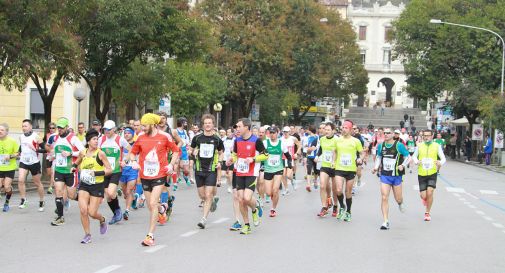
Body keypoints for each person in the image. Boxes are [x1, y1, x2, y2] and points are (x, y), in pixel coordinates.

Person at [129, 113, 179, 246]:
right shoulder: (140, 137)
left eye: (145, 126)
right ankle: (162, 210)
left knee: (152, 203)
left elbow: (175, 151)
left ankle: (150, 236)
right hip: (145, 175)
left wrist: (171, 164)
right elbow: (133, 152)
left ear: (152, 124)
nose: (143, 128)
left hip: (160, 174)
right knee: (151, 207)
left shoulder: (164, 136)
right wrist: (133, 161)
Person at [226, 118, 267, 235]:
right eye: (236, 127)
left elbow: (266, 155)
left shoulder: (256, 141)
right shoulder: (237, 140)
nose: (237, 129)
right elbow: (235, 155)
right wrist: (231, 160)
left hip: (251, 172)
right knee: (241, 199)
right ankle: (247, 225)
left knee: (247, 198)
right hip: (239, 172)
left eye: (239, 127)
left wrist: (254, 159)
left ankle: (255, 208)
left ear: (246, 127)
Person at [74, 129, 112, 244]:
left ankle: (102, 219)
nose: (96, 141)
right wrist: (73, 166)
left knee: (92, 212)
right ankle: (87, 235)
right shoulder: (83, 152)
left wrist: (96, 173)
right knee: (83, 210)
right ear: (88, 141)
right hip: (84, 184)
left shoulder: (100, 153)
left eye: (97, 139)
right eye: (94, 139)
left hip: (97, 185)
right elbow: (78, 161)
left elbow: (109, 170)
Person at [190, 114, 224, 229]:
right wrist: (192, 152)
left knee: (208, 194)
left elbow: (221, 152)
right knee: (202, 195)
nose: (207, 125)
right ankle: (212, 201)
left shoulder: (217, 139)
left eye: (209, 123)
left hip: (211, 170)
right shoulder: (197, 138)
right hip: (199, 169)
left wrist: (220, 162)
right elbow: (191, 149)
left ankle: (203, 219)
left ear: (213, 125)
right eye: (205, 123)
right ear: (203, 125)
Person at [372, 128, 410, 230]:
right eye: (385, 133)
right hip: (385, 175)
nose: (386, 134)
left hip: (397, 175)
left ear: (393, 134)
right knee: (384, 197)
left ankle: (400, 203)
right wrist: (376, 167)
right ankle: (385, 221)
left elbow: (408, 157)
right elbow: (379, 157)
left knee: (398, 198)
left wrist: (403, 165)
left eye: (388, 133)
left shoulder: (399, 145)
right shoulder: (381, 146)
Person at [51, 117, 86, 226]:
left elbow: (83, 152)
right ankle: (60, 217)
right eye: (58, 127)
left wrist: (70, 153)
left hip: (70, 170)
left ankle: (86, 200)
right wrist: (52, 156)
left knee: (71, 195)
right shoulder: (55, 138)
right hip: (59, 169)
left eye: (62, 127)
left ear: (66, 127)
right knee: (58, 191)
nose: (60, 129)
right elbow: (55, 151)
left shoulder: (73, 138)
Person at [98, 120, 131, 225]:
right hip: (104, 171)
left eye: (108, 129)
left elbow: (131, 150)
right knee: (108, 195)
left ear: (114, 129)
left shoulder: (119, 139)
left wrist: (125, 161)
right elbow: (97, 153)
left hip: (116, 171)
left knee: (111, 192)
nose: (106, 131)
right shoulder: (101, 139)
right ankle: (116, 213)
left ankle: (117, 212)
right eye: (105, 129)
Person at [412, 130, 446, 221]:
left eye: (428, 135)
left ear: (432, 136)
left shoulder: (437, 146)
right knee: (424, 196)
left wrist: (440, 163)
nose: (426, 137)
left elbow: (443, 158)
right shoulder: (419, 146)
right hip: (422, 173)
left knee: (430, 192)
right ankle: (425, 199)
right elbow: (414, 156)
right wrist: (416, 161)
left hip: (432, 172)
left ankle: (427, 213)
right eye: (425, 136)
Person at [334, 120, 364, 222]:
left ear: (350, 129)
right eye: (343, 127)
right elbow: (334, 151)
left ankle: (348, 212)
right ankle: (342, 206)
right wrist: (333, 161)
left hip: (351, 169)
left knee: (348, 192)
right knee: (338, 190)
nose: (344, 129)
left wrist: (360, 158)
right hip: (339, 168)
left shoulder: (356, 141)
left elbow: (362, 152)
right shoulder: (337, 140)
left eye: (346, 128)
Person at [262, 126, 292, 217]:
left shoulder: (281, 144)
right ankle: (273, 197)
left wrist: (290, 163)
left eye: (274, 133)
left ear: (277, 133)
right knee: (268, 192)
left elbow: (288, 156)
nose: (272, 134)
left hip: (278, 169)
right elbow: (260, 154)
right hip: (267, 169)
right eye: (270, 133)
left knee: (275, 190)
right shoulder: (265, 143)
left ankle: (273, 209)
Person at [17, 119, 46, 211]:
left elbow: (45, 149)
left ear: (30, 127)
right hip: (23, 161)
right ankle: (23, 200)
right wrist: (18, 152)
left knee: (37, 183)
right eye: (22, 126)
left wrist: (35, 149)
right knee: (20, 180)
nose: (23, 128)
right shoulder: (21, 136)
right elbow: (21, 147)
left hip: (34, 162)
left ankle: (41, 201)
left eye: (25, 126)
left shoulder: (36, 137)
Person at [314, 122, 338, 217]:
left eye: (328, 130)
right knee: (322, 185)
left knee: (335, 189)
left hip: (335, 167)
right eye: (325, 129)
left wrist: (334, 160)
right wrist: (317, 156)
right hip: (325, 166)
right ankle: (324, 207)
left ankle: (335, 206)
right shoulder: (322, 139)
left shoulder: (337, 140)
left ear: (333, 131)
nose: (326, 131)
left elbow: (339, 151)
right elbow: (321, 149)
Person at [119, 127, 139, 220]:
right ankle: (134, 198)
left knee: (129, 190)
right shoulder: (121, 144)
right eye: (125, 133)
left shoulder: (136, 144)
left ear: (132, 134)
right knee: (125, 193)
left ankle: (127, 211)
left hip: (132, 169)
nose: (126, 134)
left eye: (128, 133)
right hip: (122, 170)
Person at [0, 123, 20, 212]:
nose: (0, 131)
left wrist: (10, 156)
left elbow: (18, 153)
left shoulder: (12, 141)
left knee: (7, 187)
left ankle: (7, 202)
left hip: (9, 168)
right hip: (0, 167)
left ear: (7, 132)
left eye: (2, 130)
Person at [305, 126, 319, 192]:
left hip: (315, 157)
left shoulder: (317, 138)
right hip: (309, 157)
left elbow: (316, 147)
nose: (307, 131)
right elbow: (307, 146)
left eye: (308, 130)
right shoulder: (308, 138)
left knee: (316, 171)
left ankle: (315, 180)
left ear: (310, 131)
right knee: (309, 170)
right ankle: (308, 185)